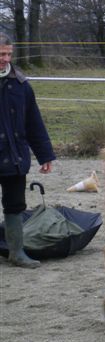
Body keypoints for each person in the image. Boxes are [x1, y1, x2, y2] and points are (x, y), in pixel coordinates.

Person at [0, 33, 56, 268]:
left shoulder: (22, 86)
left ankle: (16, 251)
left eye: (9, 54)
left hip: (14, 156)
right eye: (1, 54)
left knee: (15, 204)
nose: (6, 59)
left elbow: (34, 122)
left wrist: (45, 155)